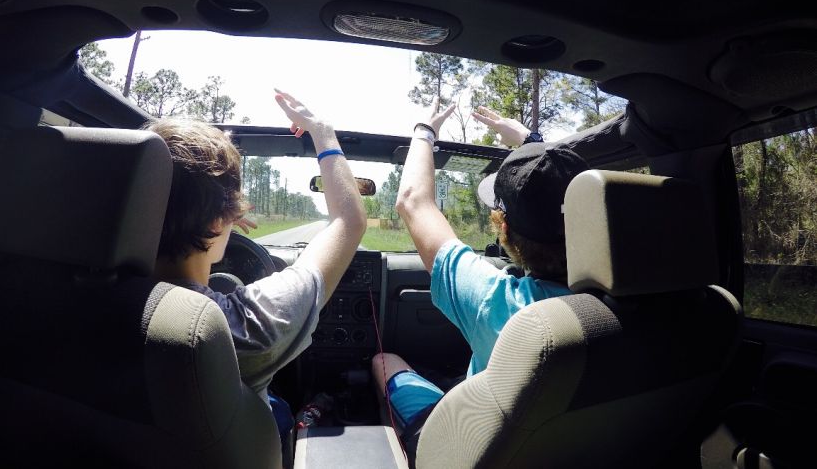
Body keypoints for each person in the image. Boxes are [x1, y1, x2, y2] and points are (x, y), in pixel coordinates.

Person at [146, 90, 367, 448]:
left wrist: (217, 215)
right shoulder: (241, 328)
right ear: (222, 220)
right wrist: (323, 133)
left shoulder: (69, 295)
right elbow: (349, 221)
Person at [371, 103, 589, 453]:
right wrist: (531, 142)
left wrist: (425, 129)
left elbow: (413, 201)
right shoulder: (651, 299)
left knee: (384, 361)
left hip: (469, 447)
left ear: (503, 228)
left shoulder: (502, 304)